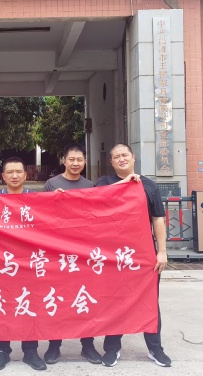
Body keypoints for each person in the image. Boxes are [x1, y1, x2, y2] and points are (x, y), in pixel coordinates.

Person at [95, 143, 172, 368]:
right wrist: (125, 183)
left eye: (125, 155)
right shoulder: (105, 183)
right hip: (113, 255)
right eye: (116, 156)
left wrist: (162, 252)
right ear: (111, 162)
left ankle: (155, 348)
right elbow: (96, 200)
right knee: (115, 300)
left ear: (133, 157)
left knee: (149, 301)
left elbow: (158, 219)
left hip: (143, 255)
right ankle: (112, 349)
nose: (121, 159)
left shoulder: (149, 186)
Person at [42, 143, 104, 366]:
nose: (75, 163)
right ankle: (54, 345)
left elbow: (96, 216)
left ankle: (88, 345)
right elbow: (41, 215)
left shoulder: (90, 186)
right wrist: (51, 200)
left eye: (79, 159)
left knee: (85, 297)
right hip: (58, 251)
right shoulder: (52, 184)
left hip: (83, 251)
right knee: (58, 298)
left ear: (85, 162)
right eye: (71, 159)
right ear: (64, 161)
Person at [0, 157, 46, 372]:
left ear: (25, 175)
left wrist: (61, 199)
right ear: (3, 176)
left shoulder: (37, 199)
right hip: (1, 262)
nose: (14, 176)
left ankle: (30, 350)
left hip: (29, 263)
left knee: (30, 304)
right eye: (10, 172)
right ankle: (2, 350)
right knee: (2, 305)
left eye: (18, 172)